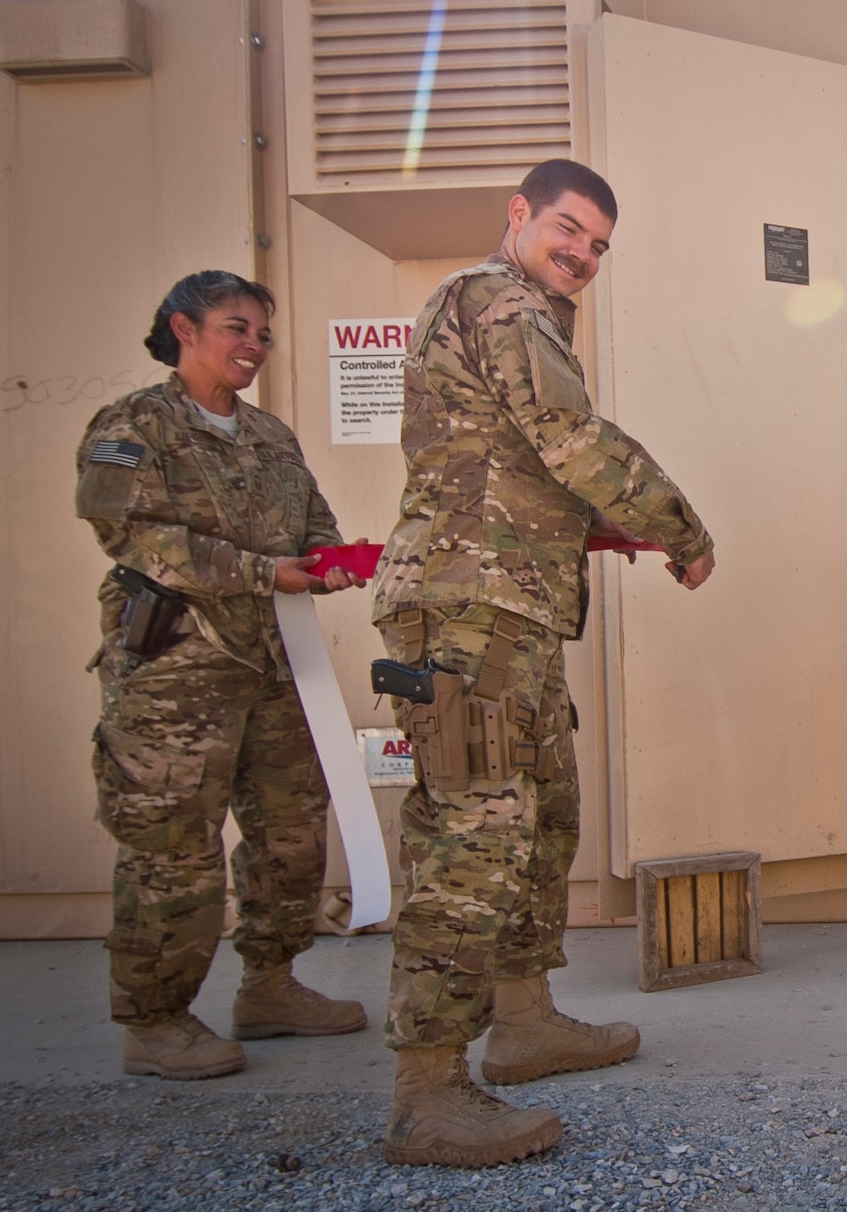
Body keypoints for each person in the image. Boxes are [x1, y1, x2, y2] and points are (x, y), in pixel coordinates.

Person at [371, 158, 716, 1168]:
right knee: (471, 837)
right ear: (519, 216)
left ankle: (522, 1020)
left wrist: (597, 526)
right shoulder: (501, 299)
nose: (584, 254)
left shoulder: (514, 312)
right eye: (570, 229)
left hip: (509, 611)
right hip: (465, 614)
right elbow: (570, 439)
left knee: (540, 816)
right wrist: (679, 529)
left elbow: (528, 461)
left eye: (600, 245)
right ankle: (426, 1092)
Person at [75, 270, 371, 1080]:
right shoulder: (135, 424)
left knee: (290, 830)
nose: (253, 346)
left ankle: (270, 986)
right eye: (237, 328)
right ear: (184, 328)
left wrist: (329, 561)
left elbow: (312, 521)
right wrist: (259, 572)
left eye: (263, 334)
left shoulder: (271, 436)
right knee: (173, 846)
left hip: (276, 663)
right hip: (178, 671)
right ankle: (156, 1020)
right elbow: (128, 532)